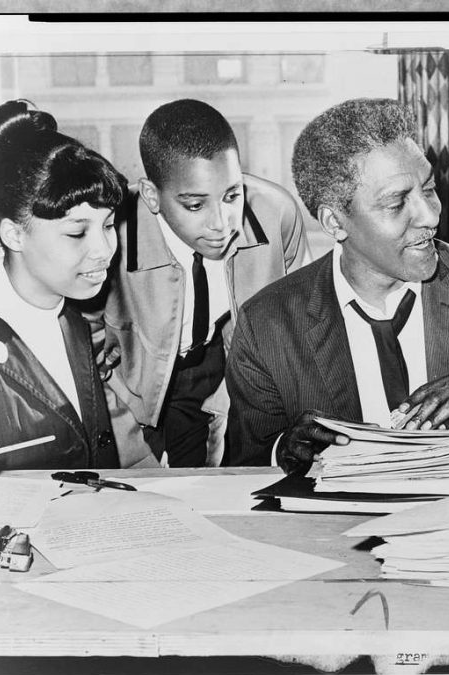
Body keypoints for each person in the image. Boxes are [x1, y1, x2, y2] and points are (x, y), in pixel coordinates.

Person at [225, 97, 449, 473]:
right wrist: (284, 451)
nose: (429, 215)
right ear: (334, 222)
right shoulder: (267, 325)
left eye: (429, 189)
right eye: (396, 203)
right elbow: (244, 469)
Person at [91, 99, 312, 467]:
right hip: (135, 380)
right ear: (151, 196)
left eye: (231, 196)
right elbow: (83, 333)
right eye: (194, 205)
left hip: (221, 367)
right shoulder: (111, 228)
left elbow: (299, 324)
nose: (222, 224)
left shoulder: (277, 213)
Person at [0, 100, 130, 474]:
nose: (104, 250)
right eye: (77, 232)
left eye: (108, 226)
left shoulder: (70, 317)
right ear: (13, 234)